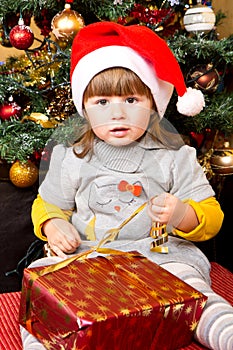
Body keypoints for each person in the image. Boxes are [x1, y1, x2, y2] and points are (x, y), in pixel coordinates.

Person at [20, 22, 233, 350]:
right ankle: (45, 342)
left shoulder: (175, 155)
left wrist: (180, 215)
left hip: (156, 256)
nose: (117, 113)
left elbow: (211, 217)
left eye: (132, 100)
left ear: (152, 104)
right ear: (84, 107)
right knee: (42, 283)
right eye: (101, 102)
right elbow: (47, 203)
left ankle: (223, 331)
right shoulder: (70, 155)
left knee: (191, 285)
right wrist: (53, 223)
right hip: (88, 255)